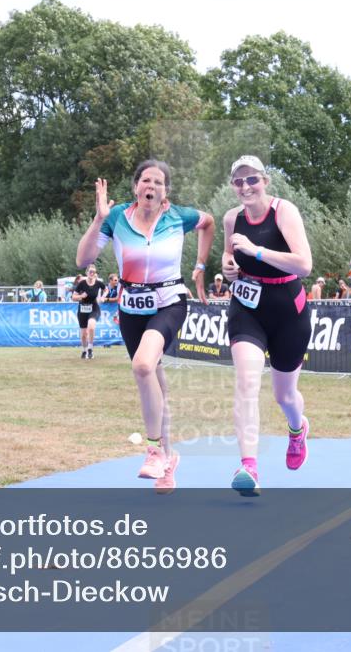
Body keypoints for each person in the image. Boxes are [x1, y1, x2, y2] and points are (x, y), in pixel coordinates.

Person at [76, 160, 214, 494]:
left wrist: (200, 266)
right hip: (132, 308)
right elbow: (82, 260)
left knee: (142, 366)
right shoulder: (118, 218)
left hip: (169, 301)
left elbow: (208, 223)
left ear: (165, 193)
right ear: (136, 187)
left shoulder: (178, 217)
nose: (151, 186)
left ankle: (153, 450)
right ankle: (169, 459)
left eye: (158, 182)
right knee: (155, 381)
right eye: (145, 181)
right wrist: (98, 219)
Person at [222, 155, 312, 497]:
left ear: (265, 181)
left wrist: (257, 252)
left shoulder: (283, 211)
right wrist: (229, 268)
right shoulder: (232, 218)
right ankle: (248, 466)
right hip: (247, 308)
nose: (246, 187)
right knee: (246, 380)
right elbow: (229, 257)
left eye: (252, 180)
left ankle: (297, 428)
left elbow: (304, 264)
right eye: (239, 182)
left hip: (289, 309)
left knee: (284, 395)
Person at [72, 264, 106, 359]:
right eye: (90, 271)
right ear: (86, 272)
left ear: (95, 273)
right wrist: (80, 296)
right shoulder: (82, 283)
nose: (91, 273)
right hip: (82, 309)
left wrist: (103, 297)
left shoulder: (98, 283)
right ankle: (84, 350)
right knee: (83, 334)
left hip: (94, 308)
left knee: (91, 326)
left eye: (93, 272)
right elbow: (73, 297)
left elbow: (106, 289)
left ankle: (90, 349)